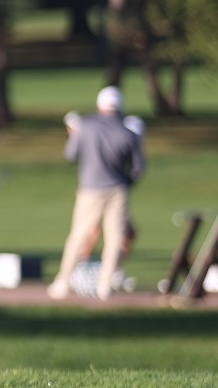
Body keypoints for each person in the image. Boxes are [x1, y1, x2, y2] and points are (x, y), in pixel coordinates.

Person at [47, 86, 147, 301]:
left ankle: (63, 281)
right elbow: (138, 167)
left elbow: (70, 155)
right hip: (118, 190)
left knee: (78, 235)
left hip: (90, 189)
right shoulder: (127, 132)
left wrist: (75, 138)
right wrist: (127, 181)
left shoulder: (86, 127)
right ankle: (106, 285)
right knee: (115, 239)